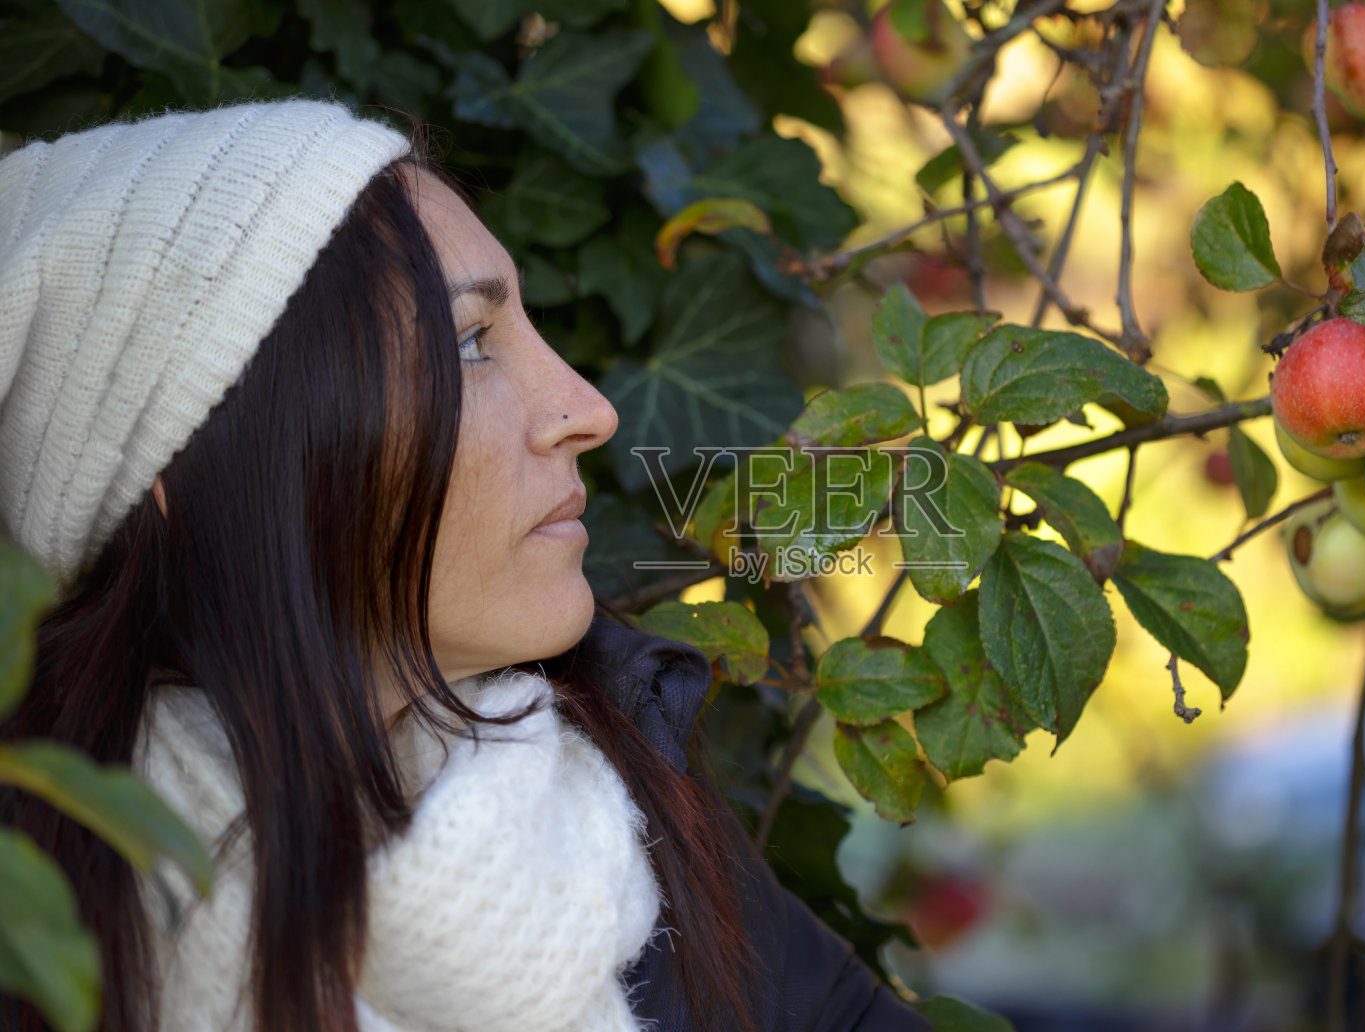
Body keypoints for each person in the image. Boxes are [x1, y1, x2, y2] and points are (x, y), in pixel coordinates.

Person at [0, 100, 932, 1032]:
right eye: (468, 344)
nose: (589, 409)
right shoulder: (39, 945)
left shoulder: (612, 820)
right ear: (194, 474)